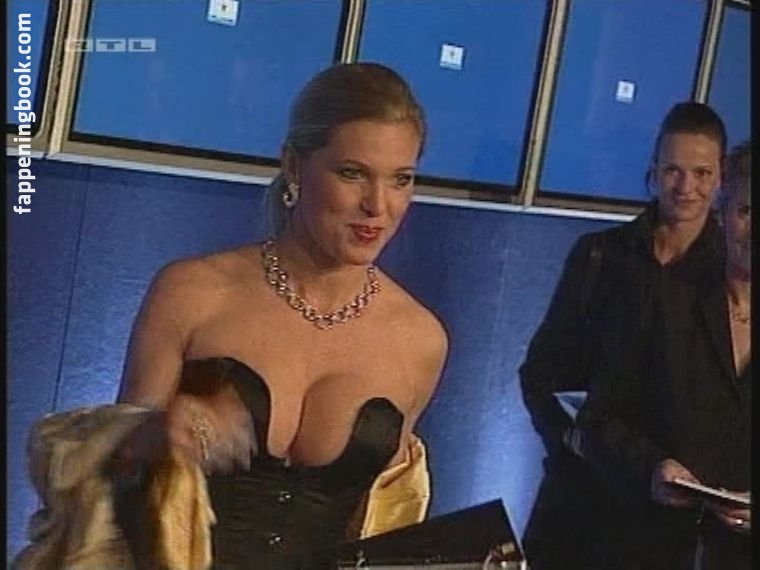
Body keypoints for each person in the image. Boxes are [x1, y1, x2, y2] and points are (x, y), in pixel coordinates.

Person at [14, 62, 449, 570]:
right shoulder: (193, 292)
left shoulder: (421, 341)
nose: (378, 205)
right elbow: (107, 493)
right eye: (352, 173)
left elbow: (384, 530)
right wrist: (156, 434)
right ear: (294, 166)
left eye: (401, 179)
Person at [519, 101, 729, 569]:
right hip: (574, 505)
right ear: (653, 171)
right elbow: (540, 374)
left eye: (701, 173)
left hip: (668, 525)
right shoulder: (599, 256)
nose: (686, 187)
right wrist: (574, 445)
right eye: (673, 170)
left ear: (721, 178)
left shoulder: (729, 279)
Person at [576, 138, 750, 570]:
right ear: (723, 211)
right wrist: (651, 468)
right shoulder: (666, 299)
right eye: (748, 211)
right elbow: (599, 420)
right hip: (647, 547)